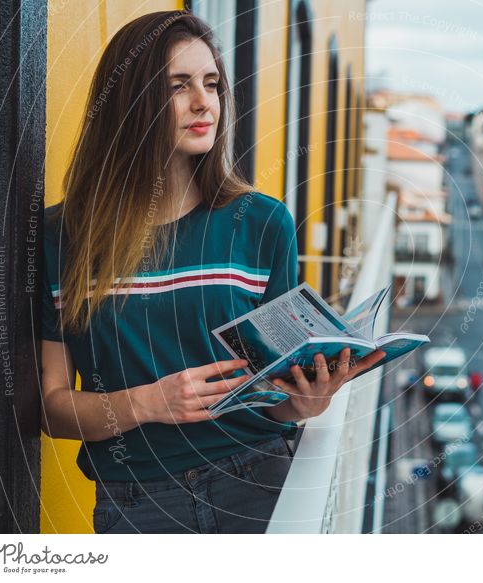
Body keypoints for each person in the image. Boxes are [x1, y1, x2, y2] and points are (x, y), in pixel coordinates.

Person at [39, 10, 384, 534]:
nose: (205, 103)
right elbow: (50, 408)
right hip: (136, 506)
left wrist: (305, 401)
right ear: (131, 104)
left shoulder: (262, 223)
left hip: (258, 483)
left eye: (212, 84)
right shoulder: (63, 236)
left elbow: (273, 393)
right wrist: (149, 402)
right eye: (179, 86)